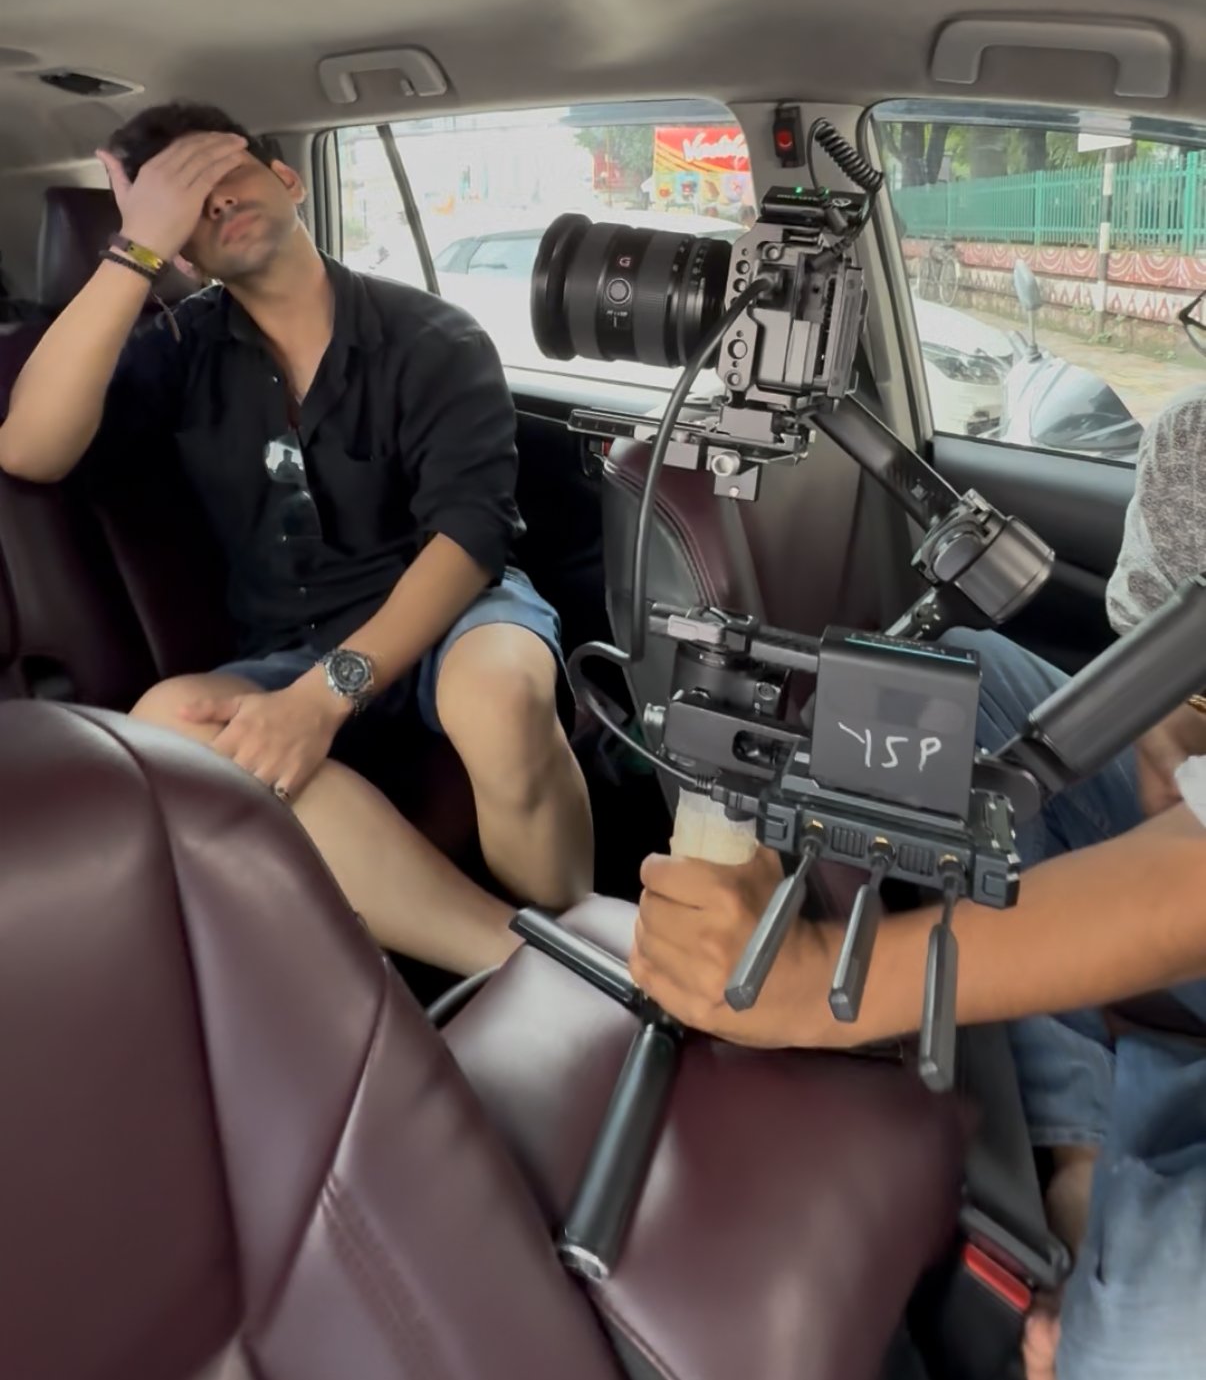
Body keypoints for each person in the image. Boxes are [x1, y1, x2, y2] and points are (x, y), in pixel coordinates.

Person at [631, 387, 1206, 1380]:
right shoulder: (1191, 434)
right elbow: (1170, 694)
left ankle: (1120, 1209)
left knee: (1138, 1348)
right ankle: (1081, 1147)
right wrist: (1177, 739)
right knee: (949, 699)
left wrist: (814, 986)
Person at [0, 103, 594, 976]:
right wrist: (137, 251)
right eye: (185, 203)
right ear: (179, 248)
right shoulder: (179, 347)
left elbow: (468, 540)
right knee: (162, 725)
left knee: (499, 695)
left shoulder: (435, 336)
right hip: (289, 642)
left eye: (224, 173)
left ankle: (579, 926)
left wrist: (327, 696)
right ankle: (531, 968)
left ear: (288, 179)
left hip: (449, 612)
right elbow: (29, 448)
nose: (215, 204)